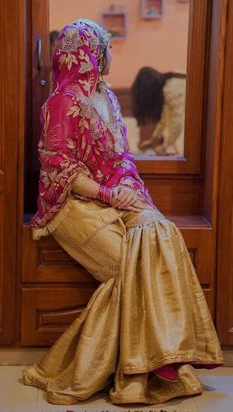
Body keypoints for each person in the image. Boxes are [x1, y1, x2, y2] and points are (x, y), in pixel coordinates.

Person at [22, 19, 223, 406]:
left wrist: (129, 184)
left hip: (114, 193)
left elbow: (122, 156)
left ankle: (169, 358)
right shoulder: (61, 103)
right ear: (88, 52)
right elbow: (59, 169)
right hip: (72, 204)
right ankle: (133, 373)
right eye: (106, 46)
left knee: (162, 229)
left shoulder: (108, 98)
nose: (110, 53)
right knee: (128, 268)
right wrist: (111, 195)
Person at [131, 67, 186, 156]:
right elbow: (163, 121)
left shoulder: (170, 89)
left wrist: (164, 146)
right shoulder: (168, 86)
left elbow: (177, 124)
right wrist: (153, 140)